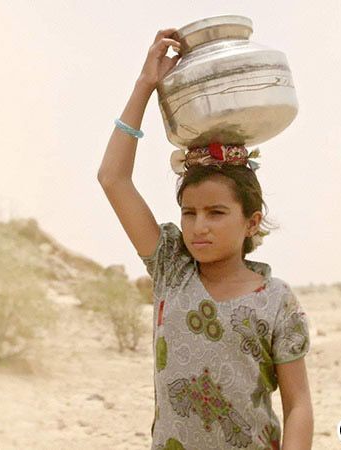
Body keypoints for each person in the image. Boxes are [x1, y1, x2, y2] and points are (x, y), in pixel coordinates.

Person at [97, 28, 314, 450]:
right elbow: (112, 178)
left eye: (217, 213)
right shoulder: (171, 269)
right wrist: (144, 85)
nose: (199, 227)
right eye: (189, 212)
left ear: (251, 223)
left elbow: (298, 404)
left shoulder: (276, 301)